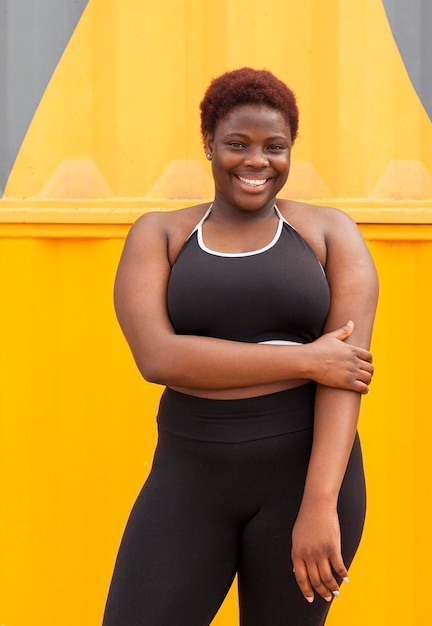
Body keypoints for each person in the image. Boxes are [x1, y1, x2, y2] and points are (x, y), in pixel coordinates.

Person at [102, 67, 378, 626]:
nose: (257, 161)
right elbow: (158, 358)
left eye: (275, 147)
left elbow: (345, 378)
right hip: (188, 477)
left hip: (304, 482)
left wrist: (320, 506)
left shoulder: (330, 234)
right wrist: (307, 359)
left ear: (291, 150)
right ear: (208, 143)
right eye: (237, 144)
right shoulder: (159, 235)